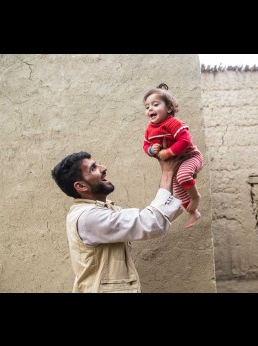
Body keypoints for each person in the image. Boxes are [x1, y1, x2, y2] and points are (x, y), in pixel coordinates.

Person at [51, 151, 184, 293]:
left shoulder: (104, 209)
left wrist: (176, 180)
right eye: (93, 168)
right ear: (81, 186)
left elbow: (152, 218)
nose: (103, 168)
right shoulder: (89, 217)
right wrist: (167, 172)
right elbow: (149, 223)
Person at [143, 83, 204, 228]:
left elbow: (185, 140)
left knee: (183, 176)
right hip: (177, 164)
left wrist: (167, 152)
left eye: (155, 104)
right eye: (147, 107)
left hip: (191, 157)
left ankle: (195, 197)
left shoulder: (173, 123)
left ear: (169, 108)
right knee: (177, 189)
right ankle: (193, 212)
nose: (150, 108)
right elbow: (145, 146)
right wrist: (152, 150)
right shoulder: (150, 130)